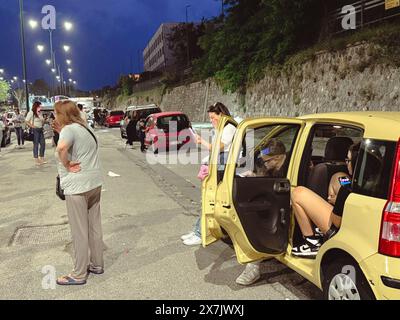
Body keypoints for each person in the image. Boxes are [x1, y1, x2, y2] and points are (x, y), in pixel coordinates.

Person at [52, 100, 104, 286]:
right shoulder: (85, 127)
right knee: (94, 226)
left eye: (57, 113)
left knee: (79, 231)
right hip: (94, 183)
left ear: (63, 114)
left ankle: (79, 274)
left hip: (78, 186)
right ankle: (97, 264)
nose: (54, 117)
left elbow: (61, 148)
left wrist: (66, 164)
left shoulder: (69, 129)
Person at [290, 142, 360, 258]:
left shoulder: (346, 190)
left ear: (356, 162)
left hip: (341, 232)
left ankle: (312, 242)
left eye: (348, 160)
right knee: (338, 176)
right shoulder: (377, 182)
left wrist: (338, 203)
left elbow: (336, 222)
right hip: (360, 229)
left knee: (298, 193)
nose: (346, 163)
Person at [235, 138, 289, 286]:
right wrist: (253, 178)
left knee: (257, 222)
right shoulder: (275, 166)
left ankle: (253, 266)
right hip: (280, 203)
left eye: (267, 161)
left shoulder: (291, 165)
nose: (265, 164)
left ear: (278, 158)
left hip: (288, 205)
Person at [181, 102, 236, 246]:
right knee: (208, 200)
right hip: (219, 168)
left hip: (224, 170)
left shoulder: (229, 128)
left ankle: (200, 233)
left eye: (213, 118)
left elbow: (218, 148)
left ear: (221, 115)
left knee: (210, 201)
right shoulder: (222, 128)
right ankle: (198, 231)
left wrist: (201, 141)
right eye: (210, 119)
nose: (212, 121)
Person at [25, 101, 47, 165]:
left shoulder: (40, 113)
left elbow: (42, 121)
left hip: (40, 129)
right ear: (36, 106)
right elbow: (26, 121)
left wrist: (43, 120)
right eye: (39, 106)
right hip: (35, 130)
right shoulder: (31, 112)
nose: (40, 107)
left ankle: (41, 157)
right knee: (36, 144)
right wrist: (33, 126)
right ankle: (36, 159)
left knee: (43, 144)